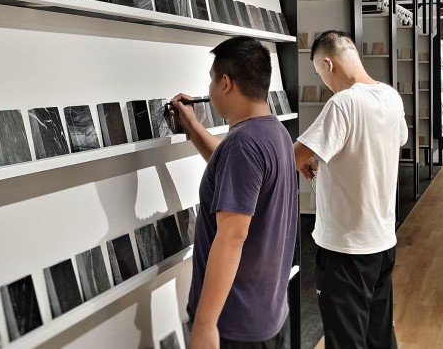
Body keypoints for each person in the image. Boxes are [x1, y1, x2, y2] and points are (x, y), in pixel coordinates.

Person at [171, 36, 297, 349]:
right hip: (266, 313)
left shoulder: (242, 144)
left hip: (234, 324)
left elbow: (231, 238)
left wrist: (204, 325)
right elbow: (233, 171)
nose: (210, 89)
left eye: (212, 79)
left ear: (226, 83)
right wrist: (193, 127)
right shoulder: (275, 132)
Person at [293, 30, 408, 349]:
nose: (323, 82)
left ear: (328, 64)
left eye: (319, 74)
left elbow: (292, 158)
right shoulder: (391, 97)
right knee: (379, 338)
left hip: (345, 250)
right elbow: (388, 142)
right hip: (382, 243)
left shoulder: (342, 103)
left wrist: (305, 159)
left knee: (346, 342)